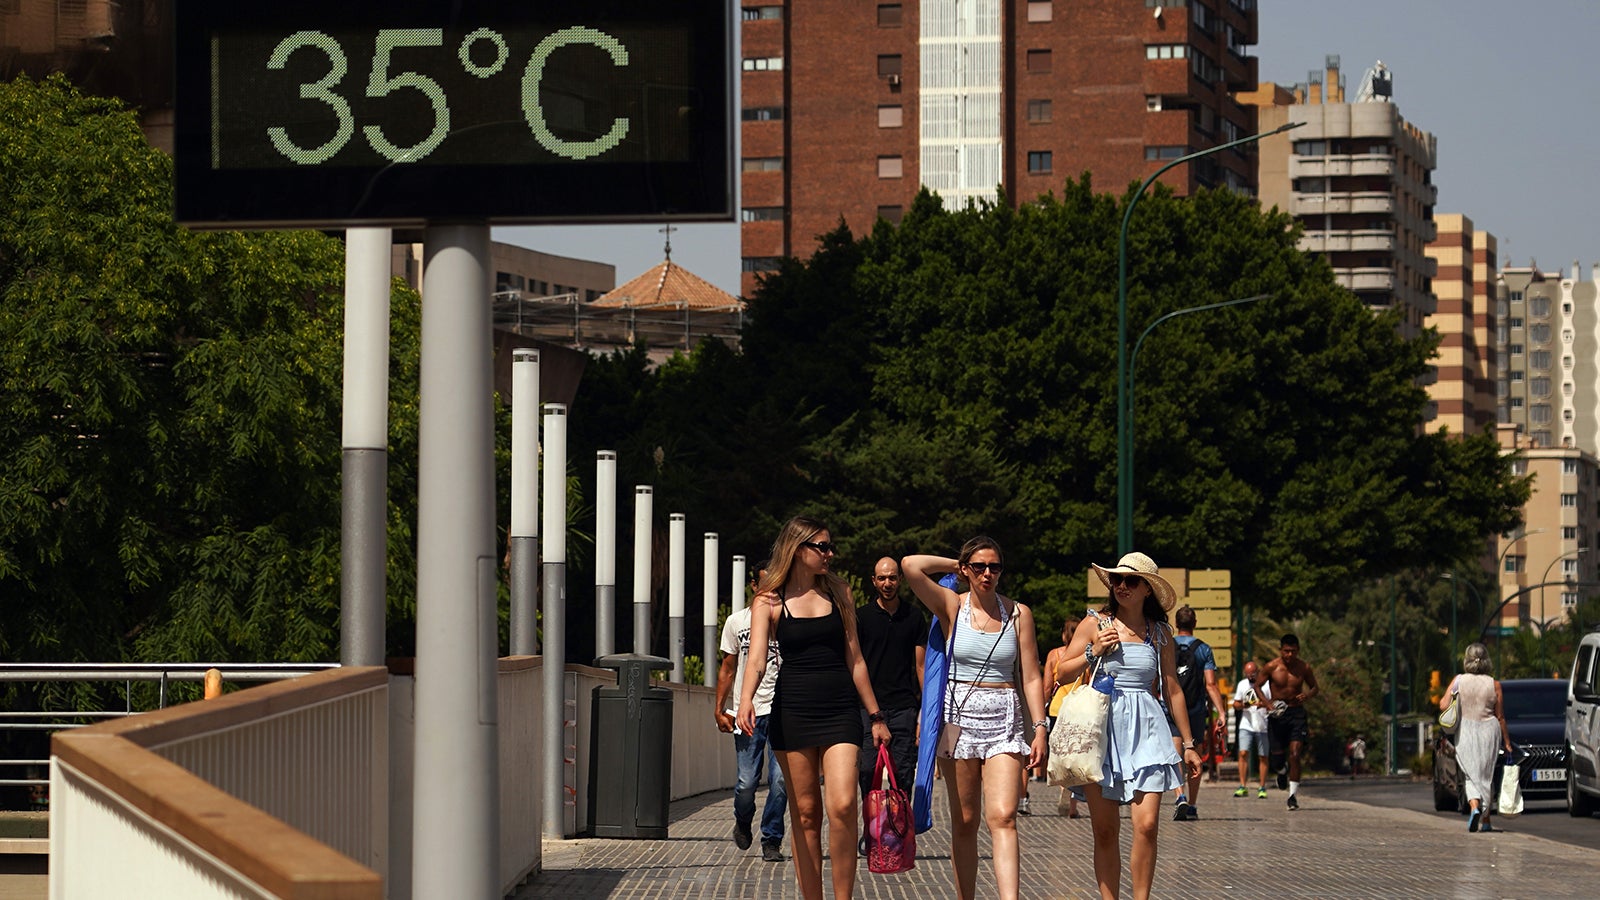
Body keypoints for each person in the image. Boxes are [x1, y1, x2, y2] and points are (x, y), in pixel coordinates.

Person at [738, 517, 890, 900]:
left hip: (840, 709)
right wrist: (745, 701)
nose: (829, 554)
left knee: (841, 805)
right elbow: (756, 659)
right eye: (821, 546)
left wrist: (875, 716)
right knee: (806, 815)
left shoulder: (839, 591)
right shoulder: (768, 601)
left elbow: (855, 659)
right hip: (792, 711)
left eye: (829, 546)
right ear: (798, 548)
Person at [902, 539, 1048, 900]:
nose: (987, 574)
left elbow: (1030, 675)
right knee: (966, 821)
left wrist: (1041, 727)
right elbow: (910, 565)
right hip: (959, 720)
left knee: (1003, 815)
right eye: (979, 567)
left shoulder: (1018, 614)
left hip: (1005, 716)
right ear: (967, 570)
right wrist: (957, 564)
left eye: (994, 567)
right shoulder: (952, 606)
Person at [1051, 551, 1201, 900]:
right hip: (1102, 728)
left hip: (1147, 728)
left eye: (1130, 581)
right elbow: (1062, 673)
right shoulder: (1094, 624)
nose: (1121, 586)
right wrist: (1092, 651)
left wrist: (1190, 744)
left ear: (1147, 589)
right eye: (1116, 580)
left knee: (1147, 825)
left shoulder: (1160, 632)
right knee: (1105, 831)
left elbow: (1172, 687)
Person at [714, 559, 787, 863]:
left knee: (782, 782)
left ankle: (771, 839)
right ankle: (743, 821)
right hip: (748, 712)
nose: (771, 591)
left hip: (783, 710)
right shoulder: (736, 621)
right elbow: (728, 668)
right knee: (746, 783)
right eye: (764, 584)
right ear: (754, 587)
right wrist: (719, 708)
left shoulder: (791, 618)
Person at [855, 556, 926, 850]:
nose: (887, 583)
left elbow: (921, 667)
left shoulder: (914, 617)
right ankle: (870, 831)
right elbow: (854, 664)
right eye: (882, 578)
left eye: (892, 578)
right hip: (868, 708)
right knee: (866, 773)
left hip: (904, 707)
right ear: (874, 581)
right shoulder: (860, 617)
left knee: (903, 776)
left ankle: (896, 830)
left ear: (900, 580)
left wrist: (926, 711)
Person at [1440, 643, 1513, 833]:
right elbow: (1501, 717)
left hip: (1466, 730)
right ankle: (1486, 820)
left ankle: (1474, 808)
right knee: (1486, 775)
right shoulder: (1494, 684)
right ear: (1487, 660)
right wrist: (1506, 741)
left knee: (1471, 774)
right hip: (1489, 731)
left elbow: (1443, 705)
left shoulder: (1458, 680)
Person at [1167, 605, 1227, 821]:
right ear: (1195, 624)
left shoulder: (1167, 646)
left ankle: (1179, 795)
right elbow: (1211, 685)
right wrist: (1221, 712)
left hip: (1170, 707)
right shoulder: (1204, 649)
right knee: (1196, 755)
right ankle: (1192, 804)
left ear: (1176, 624)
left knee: (1175, 753)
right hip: (1195, 710)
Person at [1262, 632, 1319, 810]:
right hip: (1278, 715)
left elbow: (1315, 687)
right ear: (1281, 650)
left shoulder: (1304, 668)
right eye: (1286, 651)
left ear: (1298, 651)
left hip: (1296, 714)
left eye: (1293, 651)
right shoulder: (1272, 667)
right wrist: (1267, 704)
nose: (1289, 655)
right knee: (1277, 758)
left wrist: (1307, 696)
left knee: (1295, 754)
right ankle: (1281, 771)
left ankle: (1292, 796)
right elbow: (1257, 685)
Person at [1042, 614, 1086, 818]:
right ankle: (1073, 802)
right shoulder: (1086, 655)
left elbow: (1047, 686)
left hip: (1057, 709)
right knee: (1075, 756)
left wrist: (1041, 708)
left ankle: (1062, 789)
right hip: (1078, 709)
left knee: (1059, 754)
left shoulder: (1054, 655)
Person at [1230, 660, 1271, 798]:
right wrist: (1244, 704)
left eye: (1252, 674)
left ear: (1258, 671)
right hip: (1246, 724)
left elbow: (1273, 703)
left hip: (1262, 725)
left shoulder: (1266, 685)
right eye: (1247, 674)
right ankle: (1243, 785)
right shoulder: (1242, 684)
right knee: (1242, 753)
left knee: (1263, 756)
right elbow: (1235, 704)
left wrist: (1262, 704)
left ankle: (1262, 787)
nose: (1250, 677)